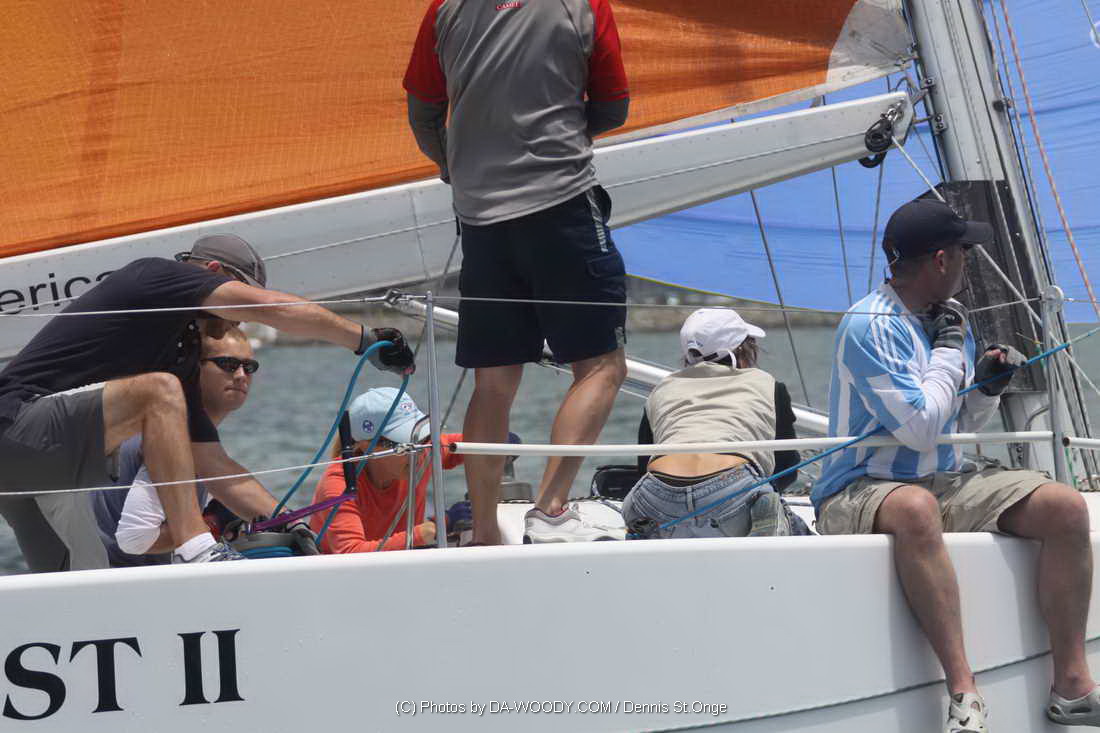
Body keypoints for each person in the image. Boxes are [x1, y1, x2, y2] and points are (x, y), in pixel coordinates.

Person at [811, 195, 1099, 730]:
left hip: (942, 478)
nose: (968, 261)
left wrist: (987, 387)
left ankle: (1073, 686)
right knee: (915, 508)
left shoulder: (950, 319)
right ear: (942, 259)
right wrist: (947, 354)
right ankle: (964, 693)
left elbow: (954, 422)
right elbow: (919, 427)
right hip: (860, 486)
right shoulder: (868, 326)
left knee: (1065, 506)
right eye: (964, 251)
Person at [0, 233, 414, 569]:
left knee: (80, 590)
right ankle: (196, 547)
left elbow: (213, 464)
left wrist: (296, 524)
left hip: (34, 470)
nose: (240, 319)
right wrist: (364, 339)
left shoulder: (176, 355)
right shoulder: (156, 275)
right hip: (17, 424)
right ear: (212, 272)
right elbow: (270, 308)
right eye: (238, 298)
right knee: (158, 390)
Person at [403, 0, 631, 544]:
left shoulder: (445, 10)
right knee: (602, 365)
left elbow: (422, 110)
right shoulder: (583, 5)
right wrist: (563, 135)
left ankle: (484, 530)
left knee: (494, 381)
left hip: (481, 219)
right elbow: (613, 107)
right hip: (562, 204)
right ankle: (549, 510)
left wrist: (454, 167)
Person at [93, 325, 271, 565]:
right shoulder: (169, 439)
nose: (241, 375)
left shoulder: (180, 436)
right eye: (228, 364)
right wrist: (215, 524)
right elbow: (137, 538)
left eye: (249, 367)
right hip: (122, 578)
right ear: (193, 369)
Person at [623, 309, 801, 539]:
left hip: (658, 494)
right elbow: (787, 465)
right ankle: (761, 512)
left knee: (641, 511)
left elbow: (644, 465)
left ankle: (640, 534)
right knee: (795, 527)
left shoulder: (662, 390)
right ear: (743, 349)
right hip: (731, 488)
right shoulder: (768, 385)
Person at [309, 388, 463, 553]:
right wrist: (423, 533)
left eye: (422, 437)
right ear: (367, 446)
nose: (417, 451)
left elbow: (473, 440)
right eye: (405, 443)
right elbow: (351, 552)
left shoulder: (422, 451)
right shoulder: (338, 485)